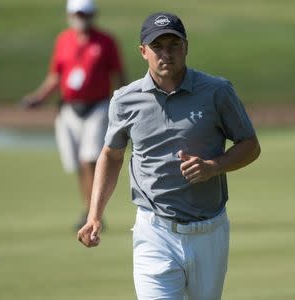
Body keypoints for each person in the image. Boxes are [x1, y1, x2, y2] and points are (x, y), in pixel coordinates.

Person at [78, 12, 260, 299]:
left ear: (186, 47)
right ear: (143, 52)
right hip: (154, 231)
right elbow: (112, 155)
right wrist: (94, 215)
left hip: (209, 231)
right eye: (157, 47)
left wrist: (214, 167)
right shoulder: (125, 100)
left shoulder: (217, 91)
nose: (166, 54)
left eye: (173, 45)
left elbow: (250, 145)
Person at [22, 0, 126, 229]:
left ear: (93, 16)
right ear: (70, 15)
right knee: (79, 164)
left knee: (90, 159)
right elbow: (55, 77)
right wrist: (38, 98)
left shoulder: (106, 41)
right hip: (69, 109)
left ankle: (93, 214)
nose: (81, 19)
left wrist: (123, 104)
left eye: (85, 14)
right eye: (77, 14)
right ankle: (89, 209)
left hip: (98, 107)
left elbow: (118, 75)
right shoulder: (63, 40)